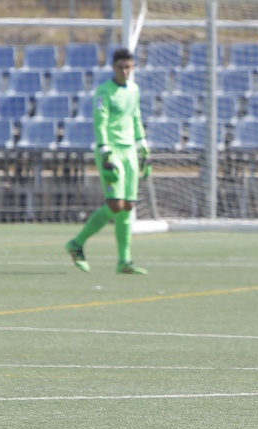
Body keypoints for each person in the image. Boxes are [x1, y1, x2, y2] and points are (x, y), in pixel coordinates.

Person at [65, 47, 151, 275]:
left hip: (130, 151)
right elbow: (100, 123)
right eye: (121, 67)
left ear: (133, 68)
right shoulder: (104, 92)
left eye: (128, 67)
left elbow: (136, 116)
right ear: (113, 68)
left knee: (129, 205)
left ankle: (124, 261)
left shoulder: (134, 89)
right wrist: (105, 152)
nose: (125, 71)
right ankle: (77, 243)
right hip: (111, 151)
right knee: (115, 204)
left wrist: (143, 145)